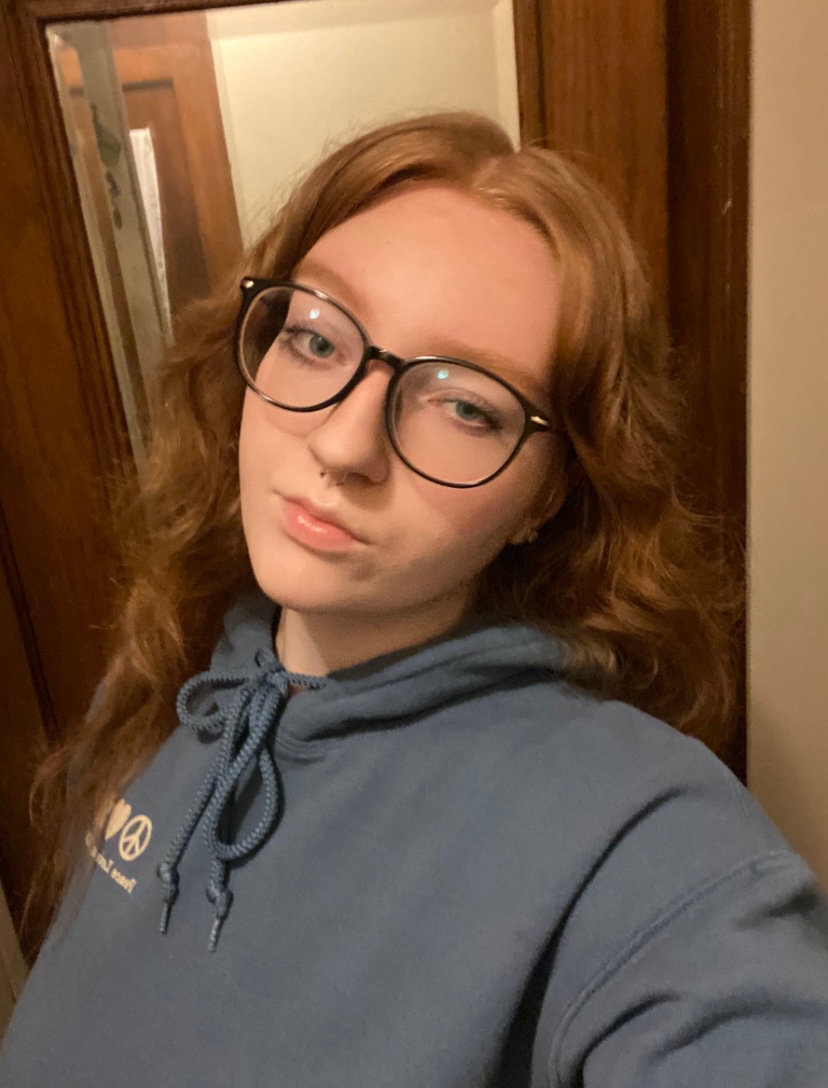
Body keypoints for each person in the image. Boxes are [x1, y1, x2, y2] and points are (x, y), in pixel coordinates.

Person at [1, 111, 827, 1087]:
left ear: (547, 497)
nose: (344, 444)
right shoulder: (170, 672)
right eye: (316, 338)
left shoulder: (638, 835)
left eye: (466, 405)